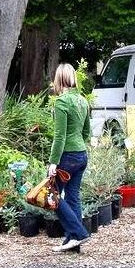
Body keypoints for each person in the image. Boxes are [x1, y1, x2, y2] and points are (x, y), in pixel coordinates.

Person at [47, 63, 92, 252]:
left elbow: (60, 136)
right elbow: (86, 132)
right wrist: (79, 146)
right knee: (73, 197)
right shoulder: (82, 101)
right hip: (81, 155)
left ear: (59, 79)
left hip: (67, 157)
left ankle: (79, 233)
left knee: (51, 195)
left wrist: (53, 162)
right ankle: (73, 241)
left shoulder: (62, 102)